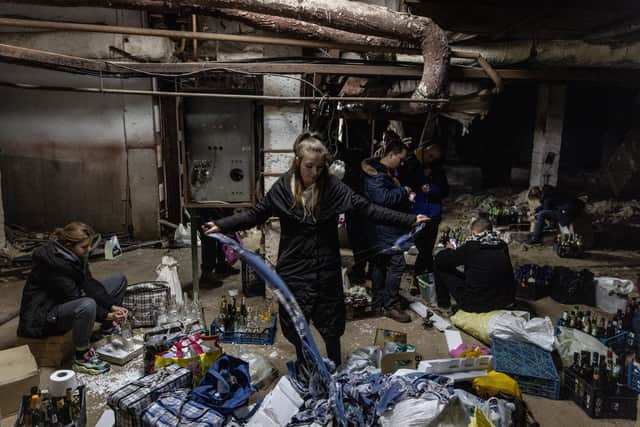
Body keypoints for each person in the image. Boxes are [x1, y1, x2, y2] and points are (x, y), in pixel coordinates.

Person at [204, 132, 428, 367]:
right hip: (294, 269)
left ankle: (334, 367)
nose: (315, 173)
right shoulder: (282, 188)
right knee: (296, 326)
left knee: (331, 327)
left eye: (320, 167)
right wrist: (222, 225)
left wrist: (410, 220)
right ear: (298, 162)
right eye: (309, 166)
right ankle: (305, 365)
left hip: (326, 269)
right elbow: (255, 214)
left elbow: (367, 208)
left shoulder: (333, 187)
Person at [17, 222, 129, 374]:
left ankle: (106, 328)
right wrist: (106, 315)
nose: (88, 250)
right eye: (84, 247)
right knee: (87, 305)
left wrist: (111, 306)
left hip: (66, 300)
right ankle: (81, 356)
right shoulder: (51, 263)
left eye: (88, 246)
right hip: (45, 316)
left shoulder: (74, 255)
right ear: (69, 245)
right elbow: (75, 296)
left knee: (119, 281)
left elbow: (88, 283)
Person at [362, 131, 414, 323]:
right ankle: (390, 306)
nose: (402, 163)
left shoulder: (386, 172)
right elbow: (381, 199)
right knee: (396, 263)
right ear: (391, 155)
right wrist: (403, 191)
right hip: (382, 229)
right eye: (400, 159)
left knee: (380, 263)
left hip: (384, 227)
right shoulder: (376, 175)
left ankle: (378, 302)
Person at [433, 218, 515, 313]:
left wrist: (449, 250)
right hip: (505, 301)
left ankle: (444, 305)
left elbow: (441, 260)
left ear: (473, 232)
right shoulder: (502, 245)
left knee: (438, 266)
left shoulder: (472, 246)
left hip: (477, 304)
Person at [399, 143, 448, 292]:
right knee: (421, 248)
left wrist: (431, 189)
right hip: (416, 213)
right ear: (425, 151)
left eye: (435, 158)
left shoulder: (437, 169)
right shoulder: (410, 164)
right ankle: (427, 278)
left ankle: (420, 280)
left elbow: (445, 190)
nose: (432, 160)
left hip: (433, 214)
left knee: (426, 249)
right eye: (430, 156)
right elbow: (403, 184)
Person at [196, 208, 240, 288]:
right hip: (204, 205)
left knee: (222, 227)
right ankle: (206, 274)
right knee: (209, 236)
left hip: (216, 204)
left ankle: (221, 265)